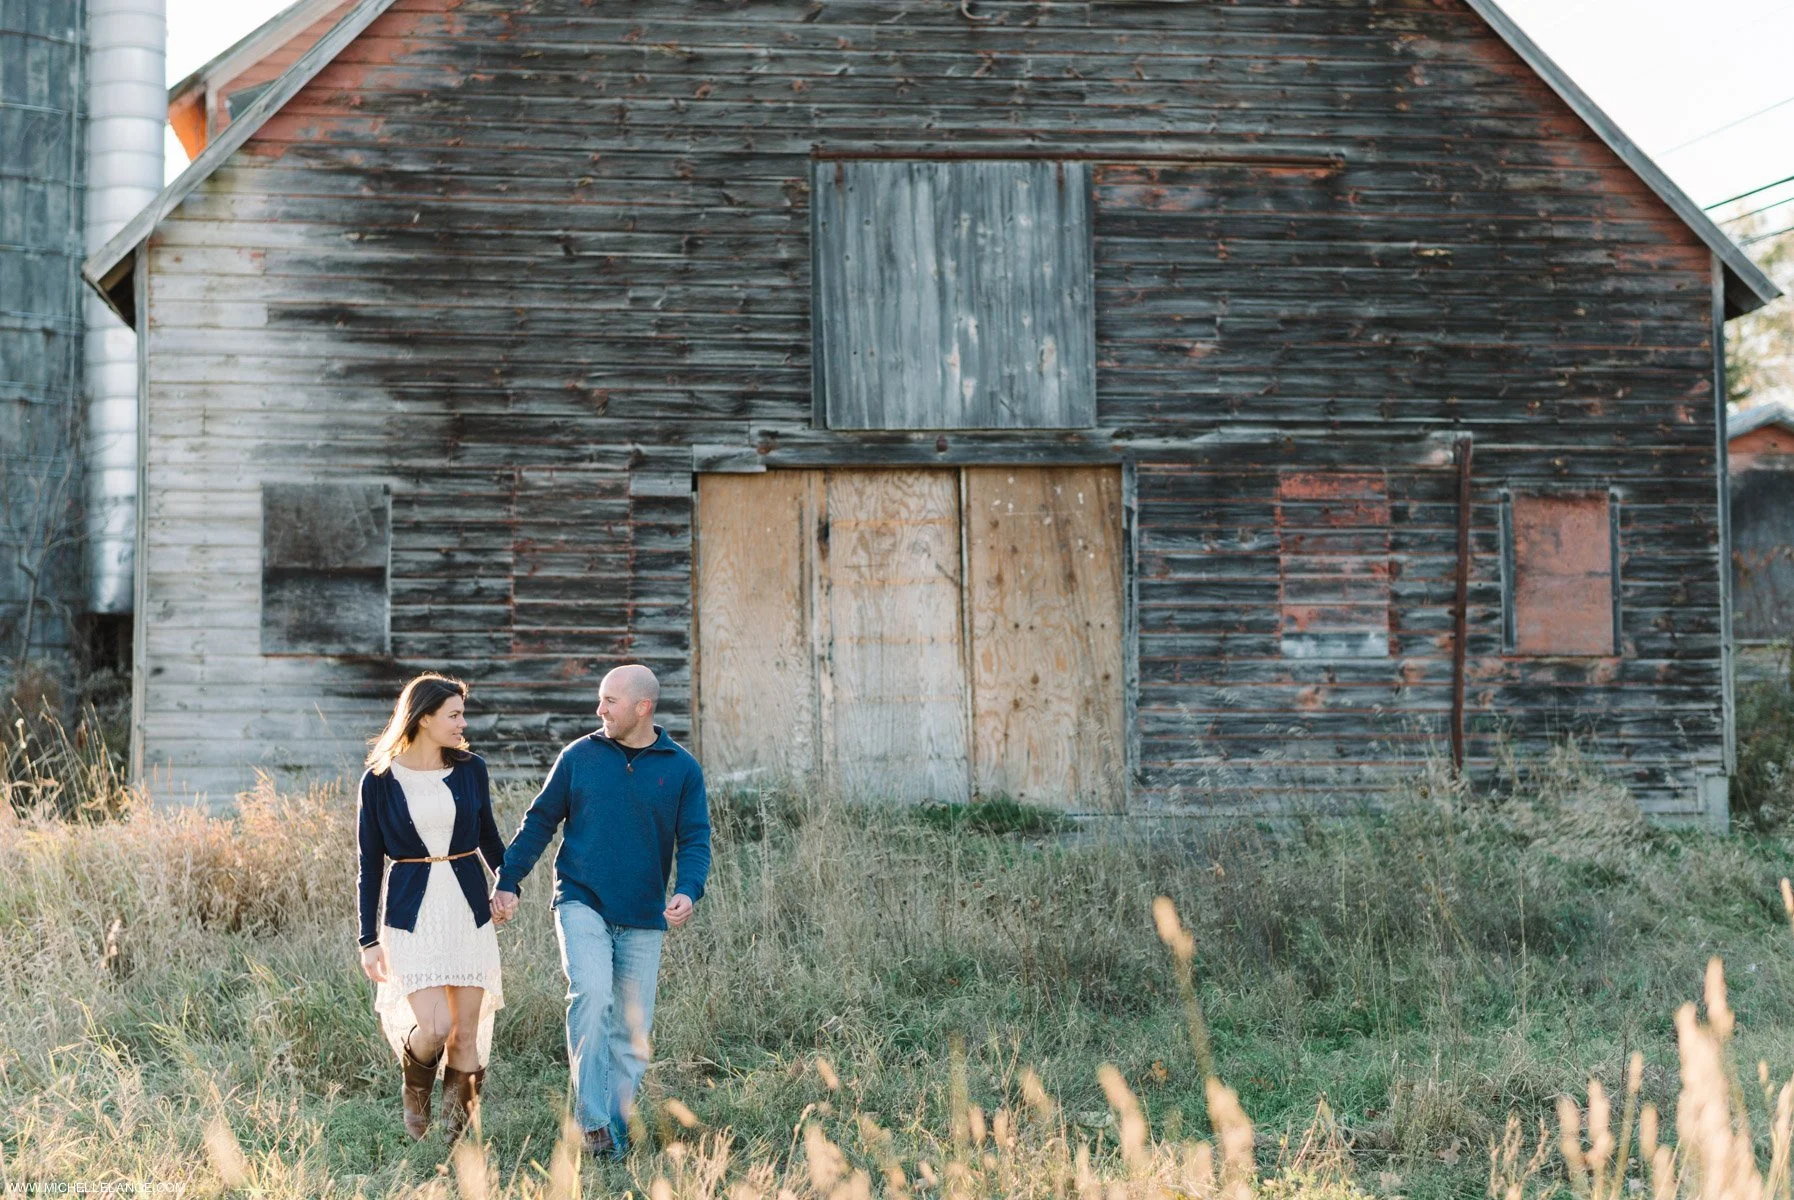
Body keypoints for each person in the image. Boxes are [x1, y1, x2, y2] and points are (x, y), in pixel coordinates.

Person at [491, 664, 711, 1160]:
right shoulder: (579, 757)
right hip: (581, 899)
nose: (600, 709)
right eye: (600, 699)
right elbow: (539, 821)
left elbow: (696, 839)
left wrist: (688, 890)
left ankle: (614, 1134)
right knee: (590, 994)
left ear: (642, 707)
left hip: (644, 913)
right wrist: (508, 879)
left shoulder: (681, 769)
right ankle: (592, 1122)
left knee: (631, 1031)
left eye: (610, 701)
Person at [356, 673, 514, 1141]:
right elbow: (369, 865)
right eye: (454, 715)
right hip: (411, 917)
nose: (463, 724)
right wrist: (368, 939)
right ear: (424, 718)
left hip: (467, 912)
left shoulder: (471, 768)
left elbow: (489, 838)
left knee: (465, 1034)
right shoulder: (379, 780)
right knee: (436, 1026)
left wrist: (506, 885)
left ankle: (454, 1137)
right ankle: (415, 1097)